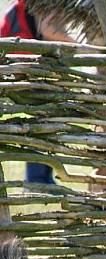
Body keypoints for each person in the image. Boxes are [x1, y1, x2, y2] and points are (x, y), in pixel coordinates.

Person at [1, 0, 74, 185]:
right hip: (28, 68)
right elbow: (48, 29)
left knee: (45, 122)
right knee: (41, 123)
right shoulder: (39, 4)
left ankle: (43, 178)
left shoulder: (21, 7)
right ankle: (36, 179)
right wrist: (75, 43)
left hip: (23, 68)